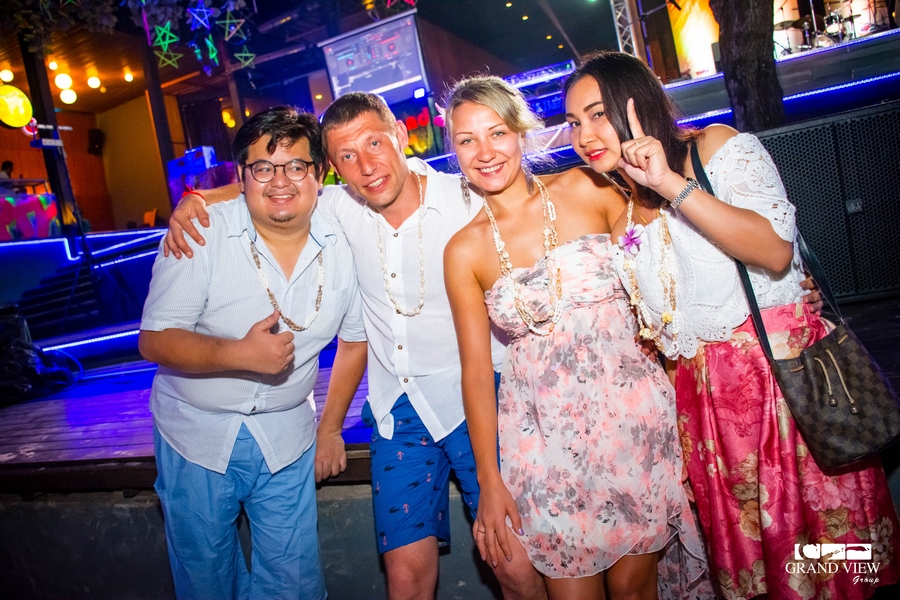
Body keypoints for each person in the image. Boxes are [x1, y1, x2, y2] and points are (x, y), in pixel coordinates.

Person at [164, 93, 545, 600]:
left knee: (514, 566)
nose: (365, 166)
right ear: (331, 168)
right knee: (405, 580)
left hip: (478, 398)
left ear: (400, 137)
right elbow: (272, 186)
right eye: (346, 155)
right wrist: (197, 199)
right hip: (397, 411)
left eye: (374, 144)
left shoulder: (465, 199)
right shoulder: (338, 207)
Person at [563, 50, 900, 599]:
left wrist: (670, 183)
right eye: (574, 122)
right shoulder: (622, 214)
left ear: (636, 102)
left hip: (780, 389)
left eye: (598, 113)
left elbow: (773, 250)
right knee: (766, 575)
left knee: (826, 564)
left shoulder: (715, 148)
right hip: (707, 412)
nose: (584, 134)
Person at [443, 75, 712, 600]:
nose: (485, 152)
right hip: (541, 442)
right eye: (467, 140)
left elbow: (670, 260)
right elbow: (475, 373)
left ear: (521, 132)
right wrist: (489, 481)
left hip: (632, 421)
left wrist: (775, 290)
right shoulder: (463, 250)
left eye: (496, 133)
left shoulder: (589, 187)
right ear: (454, 150)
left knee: (633, 588)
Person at [139, 106, 368, 600]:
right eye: (263, 168)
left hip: (287, 436)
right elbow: (155, 339)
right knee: (207, 582)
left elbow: (355, 342)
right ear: (242, 176)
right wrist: (239, 354)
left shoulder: (345, 240)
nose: (280, 181)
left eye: (295, 166)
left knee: (295, 585)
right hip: (196, 435)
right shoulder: (201, 233)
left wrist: (330, 429)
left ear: (319, 174)